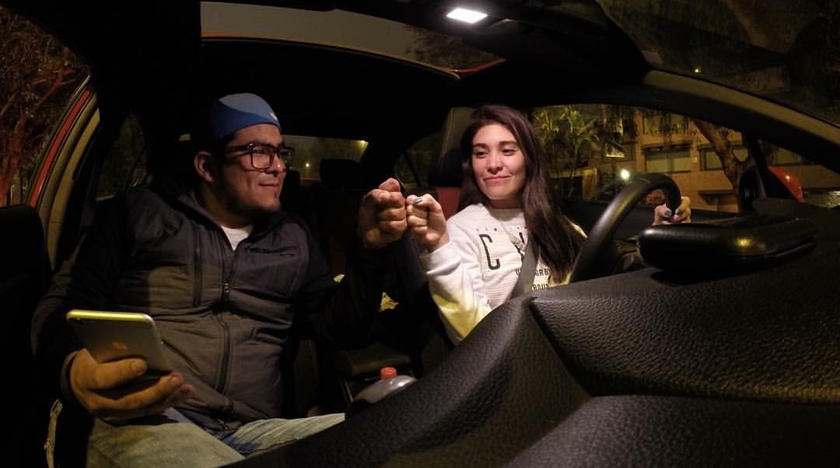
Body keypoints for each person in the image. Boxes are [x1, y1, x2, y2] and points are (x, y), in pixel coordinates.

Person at [30, 92, 407, 468]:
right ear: (207, 166)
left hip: (257, 432)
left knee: (397, 432)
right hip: (145, 417)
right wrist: (73, 368)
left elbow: (337, 329)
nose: (278, 167)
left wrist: (370, 248)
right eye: (259, 152)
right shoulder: (138, 214)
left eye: (280, 153)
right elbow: (60, 307)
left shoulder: (293, 236)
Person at [406, 104, 690, 345]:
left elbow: (602, 277)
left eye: (507, 151)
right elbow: (472, 333)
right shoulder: (459, 229)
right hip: (516, 355)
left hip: (578, 339)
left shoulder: (557, 221)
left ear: (529, 160)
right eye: (481, 153)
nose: (492, 164)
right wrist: (439, 246)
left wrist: (658, 236)